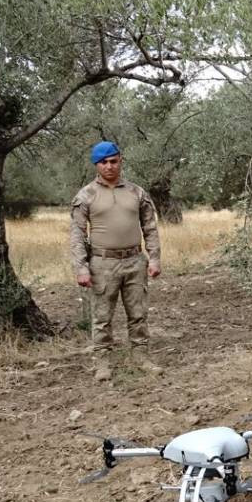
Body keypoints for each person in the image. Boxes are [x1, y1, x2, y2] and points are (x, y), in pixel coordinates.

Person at [70, 141, 165, 380]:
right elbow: (77, 235)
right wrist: (81, 268)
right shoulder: (86, 195)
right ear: (96, 165)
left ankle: (141, 357)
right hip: (103, 264)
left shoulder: (137, 192)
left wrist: (154, 258)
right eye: (104, 162)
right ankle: (103, 363)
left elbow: (150, 228)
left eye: (114, 161)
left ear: (120, 160)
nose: (109, 166)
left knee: (138, 313)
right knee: (102, 317)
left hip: (135, 260)